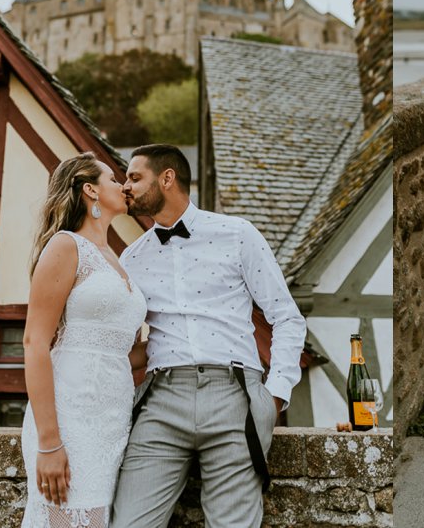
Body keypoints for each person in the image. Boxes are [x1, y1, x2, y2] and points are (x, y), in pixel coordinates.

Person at [109, 144, 307, 528]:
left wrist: (274, 397)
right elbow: (124, 342)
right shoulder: (131, 258)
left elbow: (287, 316)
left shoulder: (237, 234)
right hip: (160, 399)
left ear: (167, 178)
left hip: (234, 393)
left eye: (134, 177)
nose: (126, 187)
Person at [21, 152, 148, 526]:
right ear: (90, 190)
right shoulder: (65, 246)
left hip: (112, 419)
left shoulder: (117, 257)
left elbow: (122, 353)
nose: (124, 185)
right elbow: (35, 343)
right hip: (70, 417)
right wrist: (49, 442)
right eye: (114, 179)